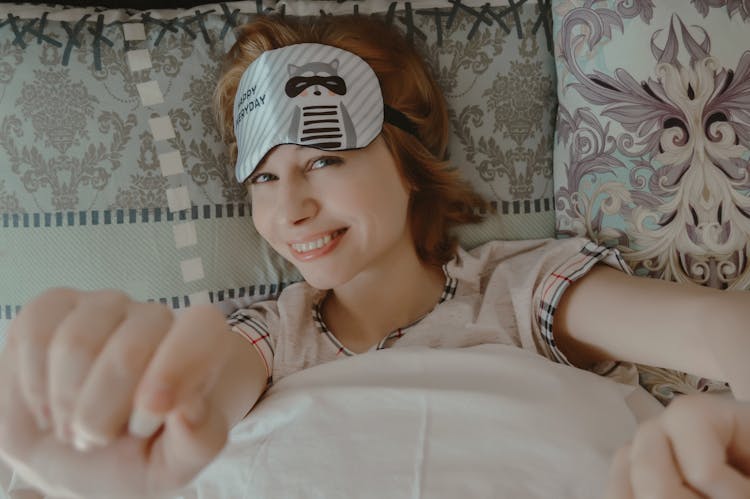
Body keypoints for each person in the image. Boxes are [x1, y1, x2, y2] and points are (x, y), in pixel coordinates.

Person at [1, 13, 750, 499]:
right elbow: (196, 402)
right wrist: (102, 447)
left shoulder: (517, 290)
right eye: (264, 177)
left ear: (406, 159)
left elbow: (717, 332)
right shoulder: (271, 332)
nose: (288, 208)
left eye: (324, 160)